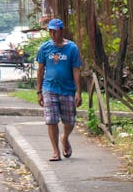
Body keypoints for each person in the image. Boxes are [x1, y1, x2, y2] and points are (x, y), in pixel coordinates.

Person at [35, 18, 83, 162]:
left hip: (67, 89)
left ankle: (65, 138)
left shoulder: (72, 48)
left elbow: (76, 70)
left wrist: (78, 91)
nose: (52, 34)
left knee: (69, 121)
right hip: (49, 88)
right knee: (51, 120)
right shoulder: (44, 48)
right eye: (50, 31)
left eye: (55, 31)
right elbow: (40, 70)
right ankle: (55, 151)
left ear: (61, 31)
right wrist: (39, 91)